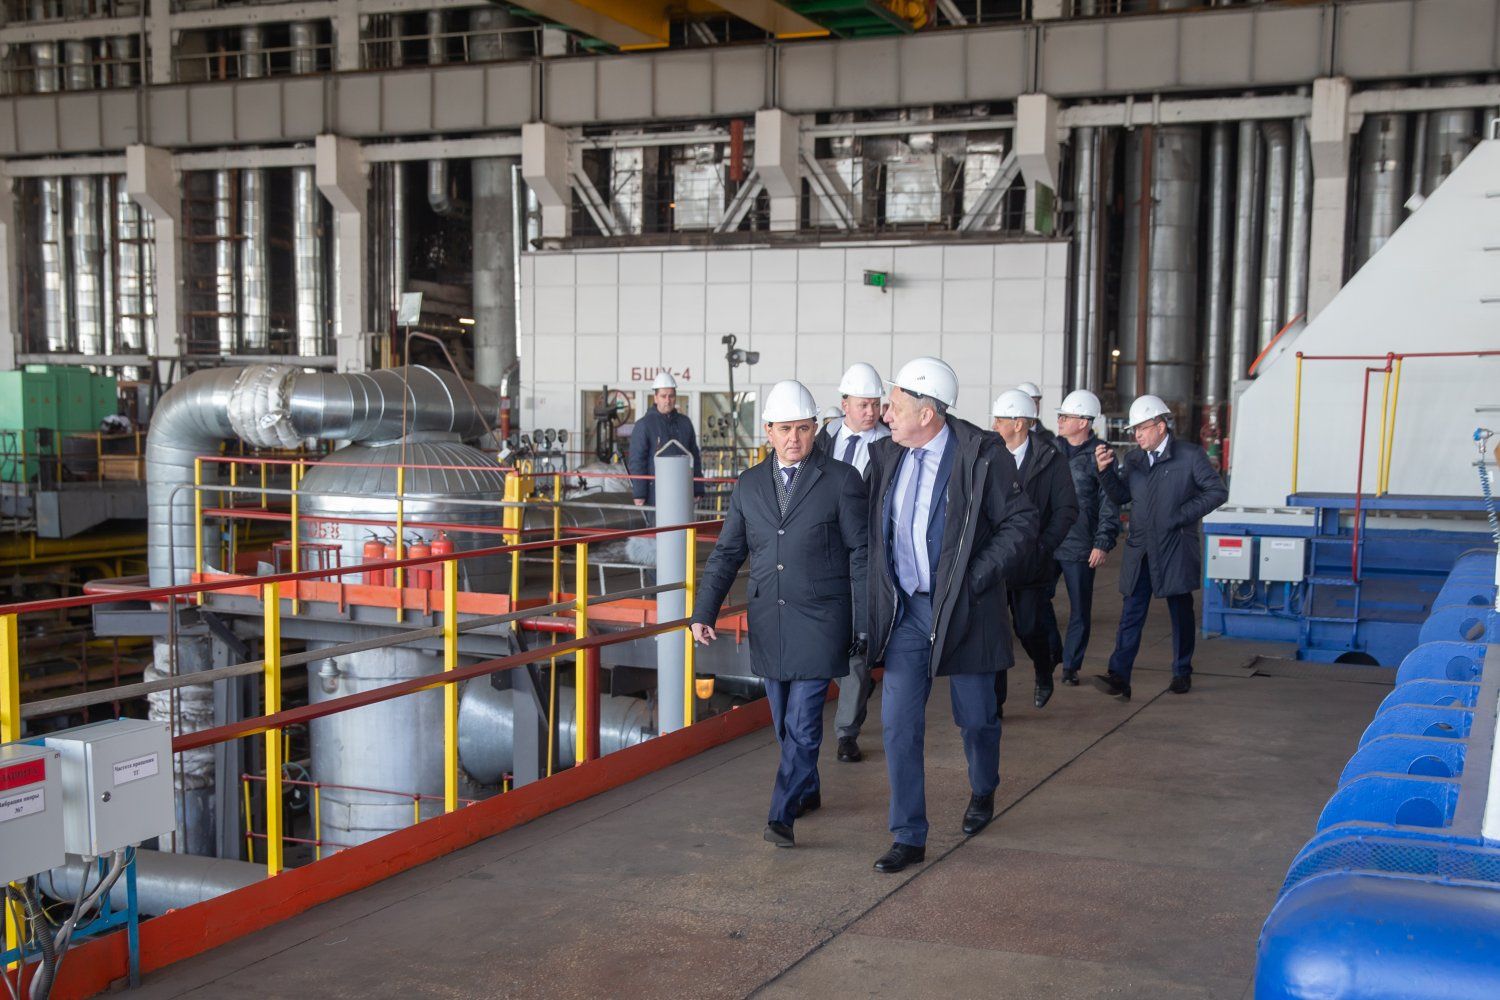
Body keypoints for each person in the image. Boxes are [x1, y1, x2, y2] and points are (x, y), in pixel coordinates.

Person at [865, 357, 1038, 873]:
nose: (885, 416)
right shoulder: (886, 456)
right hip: (908, 611)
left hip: (966, 611)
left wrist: (973, 578)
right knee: (898, 724)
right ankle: (908, 835)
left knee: (977, 718)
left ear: (927, 413)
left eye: (895, 407)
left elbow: (1021, 523)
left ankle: (983, 787)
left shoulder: (982, 455)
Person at [690, 380, 869, 849]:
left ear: (816, 429)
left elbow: (861, 553)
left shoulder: (842, 480)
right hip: (770, 619)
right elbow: (728, 553)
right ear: (768, 431)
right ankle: (807, 789)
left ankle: (781, 816)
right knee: (783, 724)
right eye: (785, 429)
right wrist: (704, 611)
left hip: (822, 620)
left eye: (804, 428)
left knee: (803, 723)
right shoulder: (749, 484)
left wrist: (864, 619)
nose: (794, 438)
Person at [1093, 395, 1227, 701]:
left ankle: (1182, 671)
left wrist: (1180, 516)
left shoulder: (1189, 456)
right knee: (1131, 612)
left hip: (1175, 546)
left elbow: (1216, 491)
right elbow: (1121, 496)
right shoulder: (1134, 460)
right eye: (1134, 430)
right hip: (1141, 548)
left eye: (1141, 428)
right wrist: (1104, 472)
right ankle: (1119, 676)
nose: (1136, 435)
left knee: (1180, 611)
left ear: (1161, 426)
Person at [815, 362, 892, 764]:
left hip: (868, 556)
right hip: (824, 556)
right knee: (828, 639)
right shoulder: (823, 440)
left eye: (876, 404)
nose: (871, 411)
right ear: (844, 403)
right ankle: (858, 689)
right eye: (863, 404)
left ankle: (846, 731)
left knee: (859, 644)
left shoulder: (891, 446)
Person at [990, 389, 1077, 711]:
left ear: (1019, 423)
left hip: (1031, 563)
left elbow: (1067, 509)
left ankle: (1043, 670)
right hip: (994, 562)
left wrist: (1044, 546)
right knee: (994, 635)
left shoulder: (1051, 459)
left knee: (1028, 628)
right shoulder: (989, 455)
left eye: (1000, 420)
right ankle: (995, 703)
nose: (994, 425)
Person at [1051, 390, 1120, 686]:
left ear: (1083, 422)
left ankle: (1070, 666)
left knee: (1079, 609)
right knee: (1035, 601)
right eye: (1060, 416)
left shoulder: (1101, 454)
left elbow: (1109, 502)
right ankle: (1052, 652)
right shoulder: (1051, 449)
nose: (1060, 420)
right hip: (1048, 541)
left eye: (1066, 416)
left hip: (1080, 544)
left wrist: (1102, 542)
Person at [627, 371, 704, 506]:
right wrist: (639, 493)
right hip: (655, 495)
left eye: (671, 396)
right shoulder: (644, 425)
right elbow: (637, 461)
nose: (668, 400)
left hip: (682, 492)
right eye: (663, 396)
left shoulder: (685, 423)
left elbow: (694, 457)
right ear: (655, 398)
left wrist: (698, 488)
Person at [1016, 381, 1057, 449]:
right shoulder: (1007, 433)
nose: (1034, 406)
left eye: (1036, 402)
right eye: (1029, 403)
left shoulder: (1049, 437)